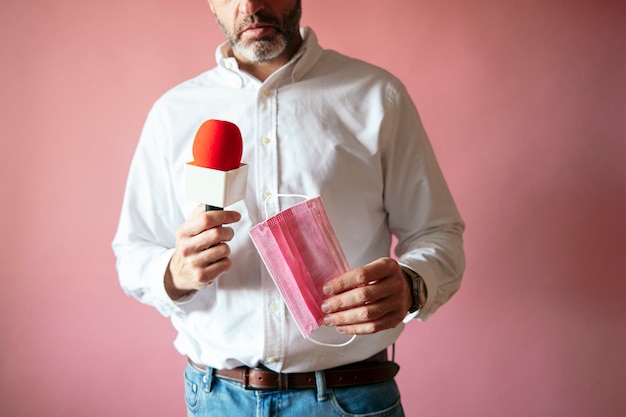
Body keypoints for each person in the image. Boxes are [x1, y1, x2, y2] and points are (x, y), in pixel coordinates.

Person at [112, 1, 465, 416]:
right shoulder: (172, 113)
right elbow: (133, 251)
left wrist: (412, 286)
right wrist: (173, 273)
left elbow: (436, 232)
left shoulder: (377, 95)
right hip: (216, 400)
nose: (252, 5)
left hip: (350, 398)